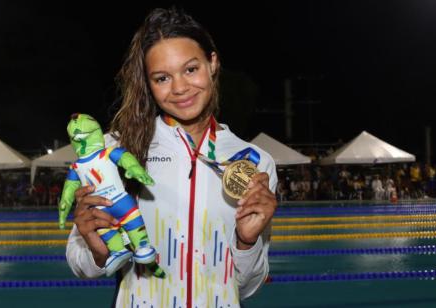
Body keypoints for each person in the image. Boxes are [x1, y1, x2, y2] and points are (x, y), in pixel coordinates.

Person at [65, 7, 278, 308]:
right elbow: (81, 265)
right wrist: (97, 249)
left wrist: (247, 241)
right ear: (149, 84)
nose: (179, 88)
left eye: (191, 69)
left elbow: (246, 288)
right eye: (162, 78)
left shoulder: (256, 162)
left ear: (213, 63)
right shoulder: (118, 150)